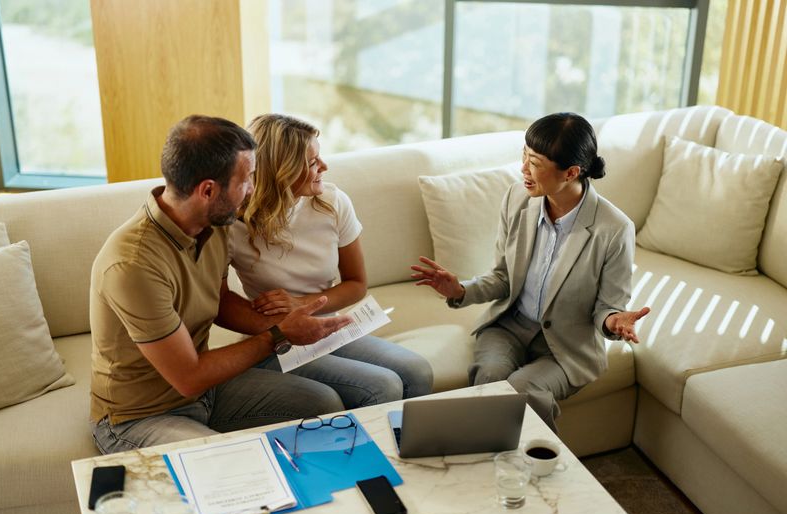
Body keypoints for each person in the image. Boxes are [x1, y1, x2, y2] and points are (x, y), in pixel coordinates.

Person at [89, 115, 352, 454]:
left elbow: (221, 299)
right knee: (231, 465)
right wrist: (279, 334)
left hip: (206, 391)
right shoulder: (132, 264)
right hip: (141, 416)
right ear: (208, 190)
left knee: (323, 403)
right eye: (248, 180)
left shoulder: (212, 224)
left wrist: (291, 323)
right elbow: (189, 377)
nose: (255, 189)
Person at [411, 112, 649, 431]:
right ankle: (490, 468)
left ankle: (536, 473)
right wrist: (461, 291)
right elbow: (503, 278)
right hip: (509, 326)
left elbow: (608, 306)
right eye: (524, 155)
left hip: (567, 346)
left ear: (571, 172)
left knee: (523, 389)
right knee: (491, 379)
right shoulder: (517, 199)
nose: (523, 168)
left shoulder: (614, 229)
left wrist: (614, 321)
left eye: (534, 162)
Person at [228, 113, 433, 407]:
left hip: (327, 327)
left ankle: (406, 450)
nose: (324, 166)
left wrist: (301, 304)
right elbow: (218, 299)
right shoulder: (232, 224)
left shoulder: (333, 202)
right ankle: (372, 453)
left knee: (417, 371)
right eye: (312, 162)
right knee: (381, 386)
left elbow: (357, 284)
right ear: (281, 171)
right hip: (279, 338)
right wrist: (275, 324)